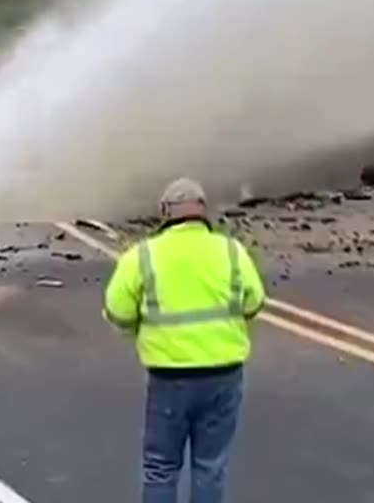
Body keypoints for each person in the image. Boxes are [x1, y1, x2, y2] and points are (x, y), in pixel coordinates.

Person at [103, 177, 266, 503]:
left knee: (161, 467)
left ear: (166, 213)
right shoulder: (231, 251)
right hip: (224, 375)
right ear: (203, 212)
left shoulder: (143, 256)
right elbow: (254, 302)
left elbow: (117, 311)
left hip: (170, 378)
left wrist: (140, 331)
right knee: (210, 467)